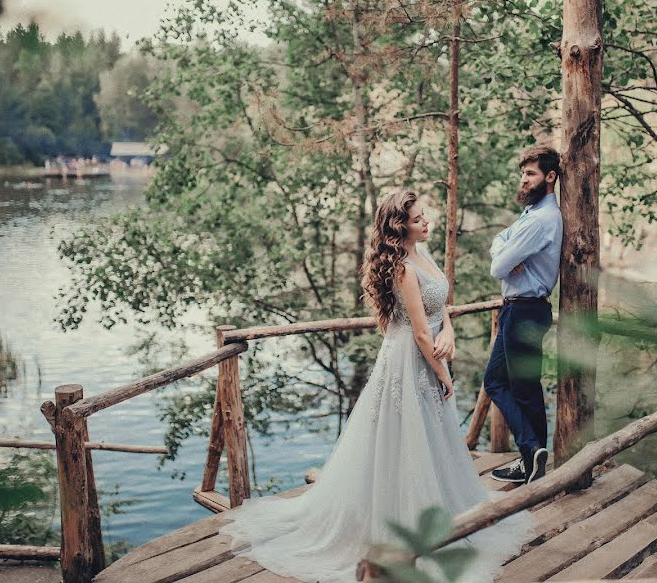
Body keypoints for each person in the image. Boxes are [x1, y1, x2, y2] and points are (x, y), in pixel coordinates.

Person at [219, 189, 535, 583]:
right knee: (402, 438)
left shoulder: (425, 255)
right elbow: (420, 331)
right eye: (419, 219)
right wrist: (442, 371)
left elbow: (440, 308)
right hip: (409, 359)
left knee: (432, 438)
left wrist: (450, 330)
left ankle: (442, 515)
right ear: (399, 227)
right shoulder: (402, 267)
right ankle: (395, 529)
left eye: (425, 216)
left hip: (431, 350)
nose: (427, 222)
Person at [484, 144, 563, 486]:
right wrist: (504, 251)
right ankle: (533, 454)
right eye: (523, 173)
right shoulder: (532, 215)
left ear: (550, 177)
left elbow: (498, 267)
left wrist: (505, 256)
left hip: (525, 309)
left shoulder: (542, 219)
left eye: (530, 174)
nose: (524, 180)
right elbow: (499, 243)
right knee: (499, 381)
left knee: (519, 387)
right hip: (519, 309)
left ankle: (531, 454)